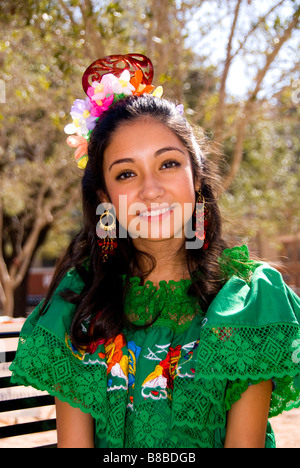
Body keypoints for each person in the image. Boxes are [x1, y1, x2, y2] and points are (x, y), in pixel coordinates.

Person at [10, 54, 300, 449]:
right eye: (126, 173)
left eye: (168, 163)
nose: (150, 189)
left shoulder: (246, 302)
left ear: (196, 178)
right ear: (105, 198)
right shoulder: (78, 306)